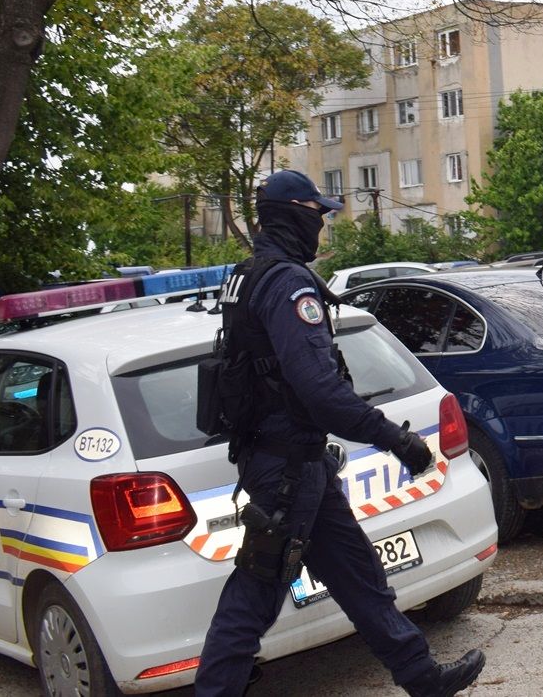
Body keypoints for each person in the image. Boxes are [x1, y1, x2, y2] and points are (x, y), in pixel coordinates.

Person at [195, 169, 484, 697]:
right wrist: (397, 440)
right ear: (294, 216)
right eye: (318, 214)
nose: (323, 225)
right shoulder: (286, 283)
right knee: (254, 595)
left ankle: (421, 678)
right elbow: (319, 392)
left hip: (292, 461)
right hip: (286, 467)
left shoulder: (248, 274)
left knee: (358, 575)